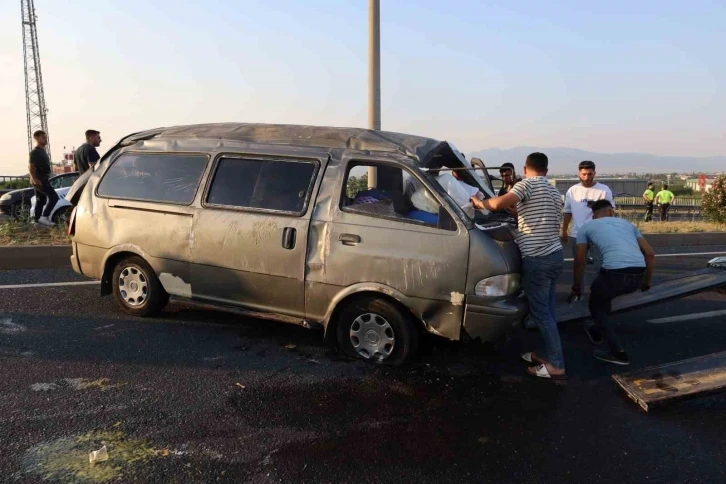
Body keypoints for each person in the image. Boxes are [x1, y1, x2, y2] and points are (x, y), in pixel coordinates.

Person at [472, 152, 565, 380]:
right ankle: (550, 354)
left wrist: (478, 202)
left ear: (525, 169)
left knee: (541, 314)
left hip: (538, 258)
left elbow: (495, 203)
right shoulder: (553, 190)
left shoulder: (526, 185)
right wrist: (515, 211)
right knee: (549, 312)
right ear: (546, 169)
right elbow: (534, 214)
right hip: (555, 255)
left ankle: (556, 365)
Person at [570, 200, 655, 365]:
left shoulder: (586, 228)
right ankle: (598, 328)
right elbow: (650, 254)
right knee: (603, 293)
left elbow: (580, 260)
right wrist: (646, 282)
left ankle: (618, 353)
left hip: (614, 275)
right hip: (638, 274)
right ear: (611, 212)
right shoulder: (628, 225)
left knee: (596, 305)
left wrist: (576, 287)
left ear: (594, 215)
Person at [561, 160, 615, 288]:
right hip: (578, 234)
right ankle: (577, 291)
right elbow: (567, 212)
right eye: (584, 174)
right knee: (579, 265)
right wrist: (564, 230)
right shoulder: (572, 191)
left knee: (601, 264)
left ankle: (603, 291)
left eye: (590, 174)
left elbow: (610, 212)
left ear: (594, 173)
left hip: (599, 234)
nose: (587, 177)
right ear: (579, 174)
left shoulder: (603, 190)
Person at [28, 130, 59, 226]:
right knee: (54, 197)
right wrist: (34, 178)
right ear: (36, 138)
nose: (45, 139)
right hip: (39, 180)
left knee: (40, 200)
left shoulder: (43, 151)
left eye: (45, 137)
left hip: (43, 179)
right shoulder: (35, 152)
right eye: (43, 137)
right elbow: (31, 166)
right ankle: (44, 217)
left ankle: (37, 221)